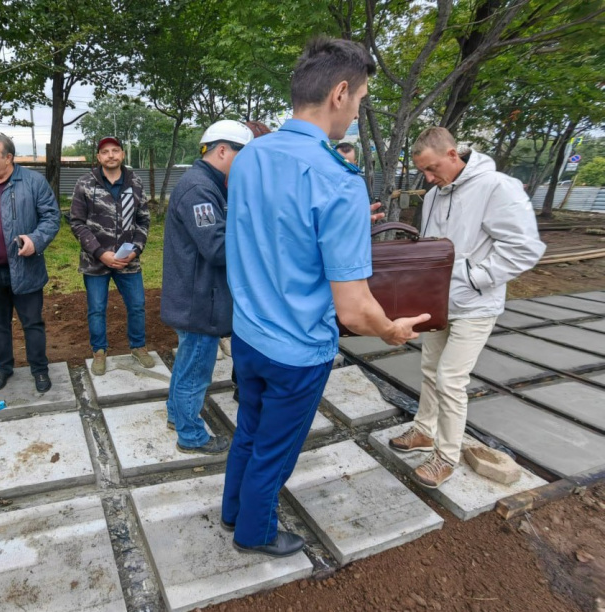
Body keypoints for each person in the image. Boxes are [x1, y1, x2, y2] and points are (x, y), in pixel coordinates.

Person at [222, 37, 428, 558]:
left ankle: (233, 509)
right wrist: (391, 330)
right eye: (359, 100)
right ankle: (255, 531)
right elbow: (354, 309)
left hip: (247, 332)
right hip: (297, 348)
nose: (357, 112)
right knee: (276, 447)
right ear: (340, 92)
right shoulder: (338, 181)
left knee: (248, 429)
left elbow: (272, 232)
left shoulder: (250, 157)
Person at [389, 126, 545, 488]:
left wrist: (475, 277)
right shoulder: (434, 196)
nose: (428, 179)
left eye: (431, 169)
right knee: (429, 369)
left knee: (450, 379)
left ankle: (446, 455)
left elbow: (526, 248)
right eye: (423, 173)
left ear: (452, 155)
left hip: (476, 304)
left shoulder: (497, 188)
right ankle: (424, 431)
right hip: (437, 303)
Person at [161, 120, 254, 455]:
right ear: (223, 150)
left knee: (188, 363)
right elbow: (216, 247)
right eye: (245, 155)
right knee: (196, 370)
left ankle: (176, 415)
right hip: (199, 300)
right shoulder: (200, 189)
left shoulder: (210, 184)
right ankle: (191, 435)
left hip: (197, 295)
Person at [0, 134, 60, 393]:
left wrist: (36, 240)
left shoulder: (33, 182)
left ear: (8, 158)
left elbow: (51, 218)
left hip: (25, 269)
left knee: (32, 323)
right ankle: (4, 368)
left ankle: (39, 370)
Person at [69, 136, 152, 376]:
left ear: (123, 154)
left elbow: (143, 220)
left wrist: (135, 249)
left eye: (115, 150)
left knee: (137, 306)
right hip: (95, 261)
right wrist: (99, 252)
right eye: (105, 152)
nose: (111, 155)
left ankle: (138, 347)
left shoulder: (135, 182)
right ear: (98, 157)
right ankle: (99, 351)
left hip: (128, 260)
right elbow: (77, 222)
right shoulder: (85, 183)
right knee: (96, 308)